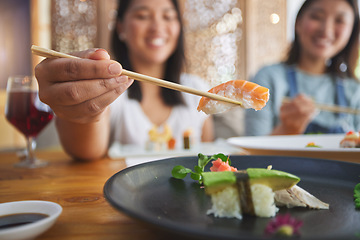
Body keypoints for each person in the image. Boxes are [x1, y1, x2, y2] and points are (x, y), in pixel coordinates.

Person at [35, 0, 214, 161]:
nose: (157, 26)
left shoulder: (196, 90)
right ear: (120, 27)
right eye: (142, 16)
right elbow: (86, 152)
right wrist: (82, 112)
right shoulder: (110, 89)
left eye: (168, 16)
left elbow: (207, 158)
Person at [245, 0, 360, 136]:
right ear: (298, 23)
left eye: (339, 21)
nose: (326, 30)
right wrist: (287, 130)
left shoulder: (355, 90)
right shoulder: (268, 78)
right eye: (316, 17)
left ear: (351, 31)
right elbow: (253, 150)